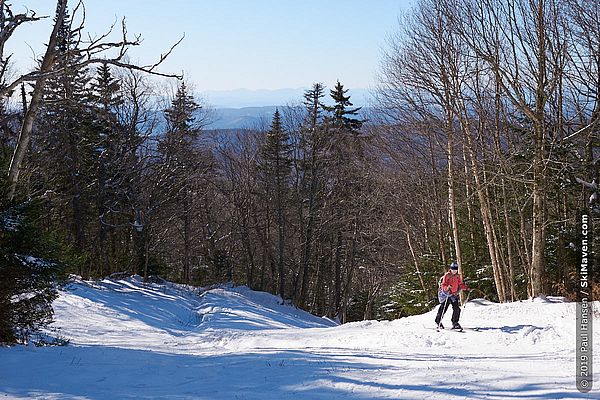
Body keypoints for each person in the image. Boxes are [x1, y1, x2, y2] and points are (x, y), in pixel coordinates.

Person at [435, 262, 469, 330]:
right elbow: (443, 285)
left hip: (453, 294)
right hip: (446, 294)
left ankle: (455, 322)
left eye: (455, 269)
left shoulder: (457, 276)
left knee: (457, 309)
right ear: (450, 269)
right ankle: (438, 321)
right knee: (444, 308)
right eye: (453, 269)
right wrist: (447, 287)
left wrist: (466, 288)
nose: (454, 271)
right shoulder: (447, 275)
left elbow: (460, 284)